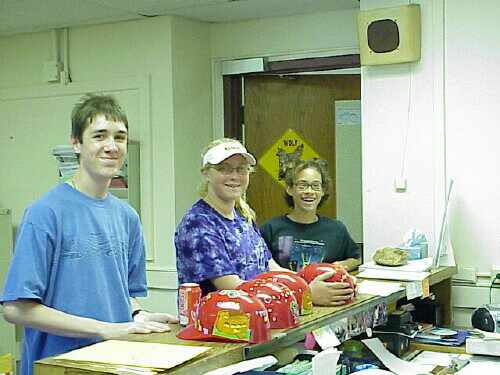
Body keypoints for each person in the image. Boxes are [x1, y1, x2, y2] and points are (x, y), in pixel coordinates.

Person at [0, 94, 177, 375]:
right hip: (59, 367)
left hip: (114, 364)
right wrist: (105, 329)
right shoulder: (45, 213)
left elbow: (122, 293)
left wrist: (137, 315)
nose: (111, 146)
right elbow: (17, 309)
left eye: (120, 137)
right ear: (76, 143)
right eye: (99, 136)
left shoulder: (127, 217)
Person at [175, 138, 289, 296]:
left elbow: (271, 268)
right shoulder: (197, 224)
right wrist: (302, 292)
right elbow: (232, 288)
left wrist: (307, 281)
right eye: (224, 169)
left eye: (241, 169)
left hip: (259, 314)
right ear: (206, 173)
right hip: (221, 319)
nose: (234, 176)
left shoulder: (243, 217)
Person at [260, 158, 360, 306]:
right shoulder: (271, 228)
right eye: (302, 185)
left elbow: (355, 258)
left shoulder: (336, 229)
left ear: (323, 190)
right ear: (289, 189)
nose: (309, 192)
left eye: (315, 186)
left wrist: (339, 267)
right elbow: (260, 270)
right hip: (286, 304)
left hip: (328, 305)